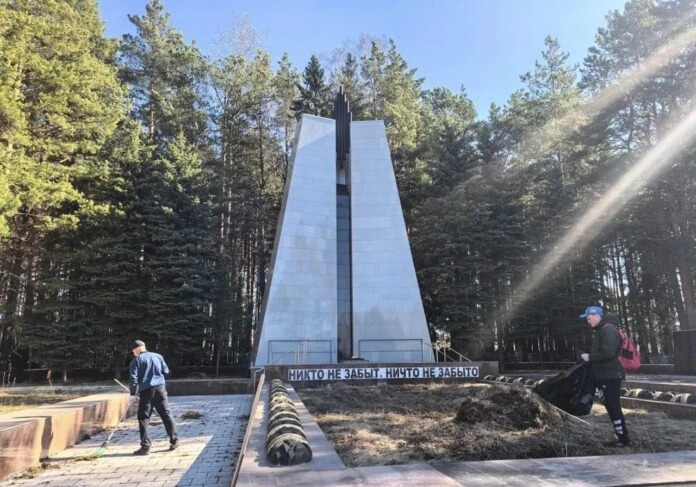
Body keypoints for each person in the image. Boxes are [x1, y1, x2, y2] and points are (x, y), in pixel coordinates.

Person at [579, 306, 630, 446]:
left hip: (610, 375)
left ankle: (623, 439)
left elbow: (609, 353)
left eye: (589, 318)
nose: (588, 321)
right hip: (606, 375)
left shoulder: (607, 330)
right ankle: (620, 435)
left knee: (613, 407)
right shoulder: (603, 330)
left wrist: (590, 357)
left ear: (596, 315)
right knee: (611, 406)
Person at [129, 339, 179, 455]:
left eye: (133, 351)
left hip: (146, 392)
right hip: (161, 389)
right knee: (166, 414)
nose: (133, 353)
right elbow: (166, 371)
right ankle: (174, 441)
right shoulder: (158, 356)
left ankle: (145, 447)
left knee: (143, 418)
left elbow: (133, 378)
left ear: (137, 349)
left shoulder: (136, 361)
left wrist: (133, 392)